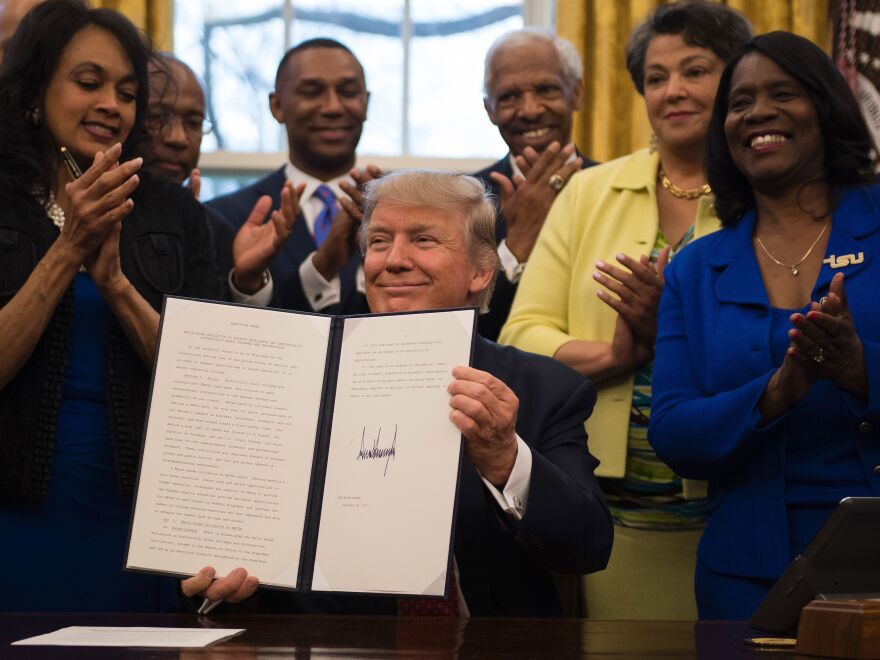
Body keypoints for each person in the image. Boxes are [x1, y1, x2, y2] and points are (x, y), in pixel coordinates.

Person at [182, 170, 613, 618]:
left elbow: (588, 549)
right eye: (380, 242)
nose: (394, 260)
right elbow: (242, 547)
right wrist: (221, 580)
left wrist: (506, 460)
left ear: (481, 271)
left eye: (424, 240)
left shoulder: (546, 389)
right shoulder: (295, 377)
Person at [499, 0, 751, 619]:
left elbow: (771, 350)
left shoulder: (759, 197)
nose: (675, 91)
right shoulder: (588, 191)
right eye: (657, 77)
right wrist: (617, 354)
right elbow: (521, 336)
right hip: (612, 517)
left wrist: (673, 332)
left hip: (733, 507)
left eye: (696, 71)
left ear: (738, 82)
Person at [649, 31, 880, 620]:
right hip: (745, 580)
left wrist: (861, 370)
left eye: (783, 93)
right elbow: (673, 432)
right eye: (740, 102)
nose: (758, 113)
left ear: (826, 108)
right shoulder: (697, 267)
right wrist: (774, 393)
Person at [0, 0, 222, 611]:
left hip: (139, 516)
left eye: (127, 93)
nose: (112, 105)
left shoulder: (174, 214)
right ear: (32, 91)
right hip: (16, 510)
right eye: (88, 82)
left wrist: (118, 286)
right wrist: (68, 247)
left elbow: (213, 383)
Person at [207, 38, 377, 315]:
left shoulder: (399, 210)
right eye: (312, 92)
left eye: (348, 92)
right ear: (277, 106)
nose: (333, 107)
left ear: (366, 103)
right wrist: (248, 284)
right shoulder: (225, 217)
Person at [145, 52, 301, 304]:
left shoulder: (216, 231)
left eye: (193, 122)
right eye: (157, 117)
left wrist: (248, 283)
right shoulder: (85, 216)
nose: (178, 138)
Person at [475, 28, 597, 341]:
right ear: (489, 109)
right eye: (510, 97)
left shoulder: (618, 188)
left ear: (577, 93)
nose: (530, 110)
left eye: (546, 90)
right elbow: (462, 328)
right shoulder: (463, 201)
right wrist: (516, 247)